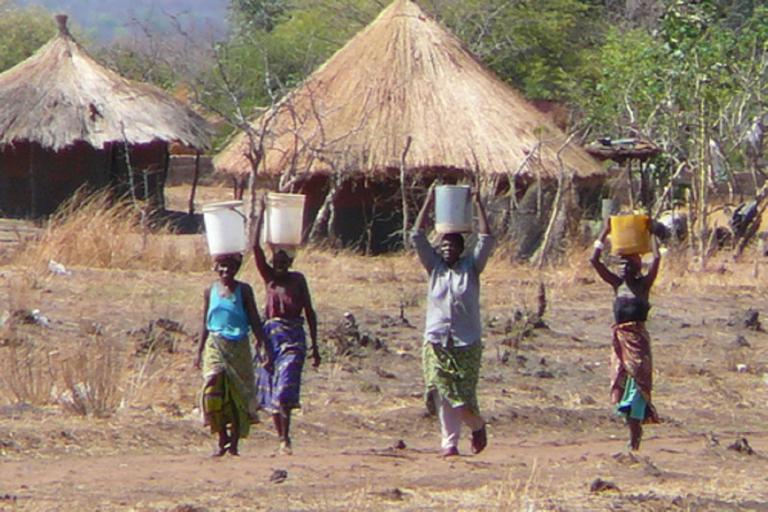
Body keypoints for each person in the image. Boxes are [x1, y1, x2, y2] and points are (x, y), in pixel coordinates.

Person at [411, 184, 495, 457]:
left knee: (463, 393)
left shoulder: (471, 268)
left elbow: (486, 239)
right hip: (436, 339)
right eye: (444, 244)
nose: (447, 249)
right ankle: (450, 443)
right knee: (440, 387)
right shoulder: (434, 268)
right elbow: (417, 236)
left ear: (461, 248)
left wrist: (478, 203)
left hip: (466, 341)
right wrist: (428, 200)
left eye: (453, 245)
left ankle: (476, 424)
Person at [253, 198, 320, 455]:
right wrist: (261, 213)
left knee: (285, 388)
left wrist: (315, 345)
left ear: (290, 263)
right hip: (271, 339)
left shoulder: (298, 280)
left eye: (283, 263)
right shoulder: (269, 279)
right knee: (272, 391)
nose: (279, 266)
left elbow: (309, 312)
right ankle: (282, 438)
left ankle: (285, 439)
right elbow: (255, 249)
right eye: (275, 263)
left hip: (293, 339)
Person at [590, 220, 661, 451]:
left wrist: (650, 233)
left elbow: (657, 259)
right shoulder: (616, 284)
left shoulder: (643, 286)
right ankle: (634, 430)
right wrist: (604, 232)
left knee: (637, 386)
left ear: (636, 266)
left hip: (638, 345)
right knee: (622, 388)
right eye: (620, 263)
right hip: (620, 344)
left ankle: (634, 434)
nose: (621, 267)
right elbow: (594, 261)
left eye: (626, 263)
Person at [194, 252, 266, 457]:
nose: (226, 270)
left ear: (236, 269)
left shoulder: (244, 290)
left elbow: (253, 318)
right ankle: (221, 435)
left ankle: (233, 443)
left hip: (239, 346)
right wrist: (198, 351)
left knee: (238, 395)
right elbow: (204, 321)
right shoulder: (210, 290)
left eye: (230, 266)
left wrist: (262, 343)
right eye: (222, 266)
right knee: (212, 388)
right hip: (215, 344)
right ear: (216, 268)